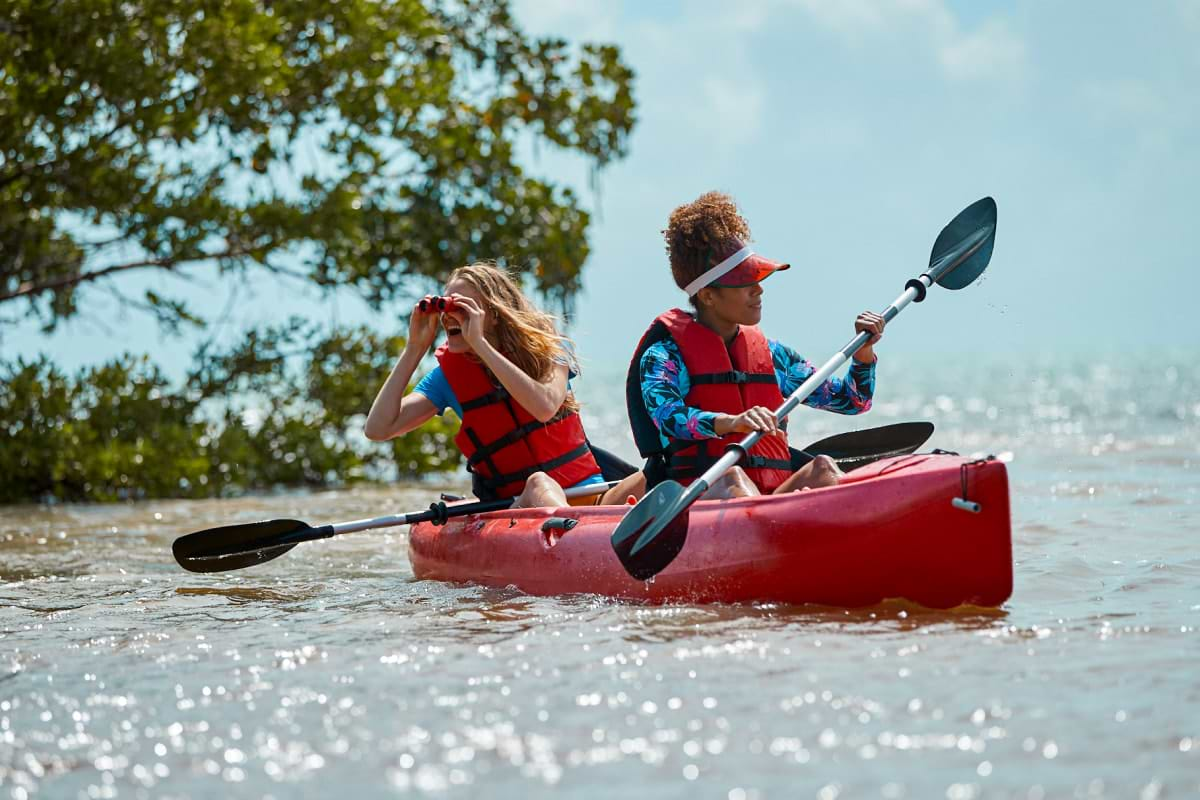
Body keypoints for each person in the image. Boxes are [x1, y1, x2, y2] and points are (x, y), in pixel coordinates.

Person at [626, 191, 885, 499]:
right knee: (734, 480)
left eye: (757, 280)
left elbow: (853, 401)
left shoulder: (775, 358)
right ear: (708, 295)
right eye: (744, 284)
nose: (758, 290)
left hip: (770, 497)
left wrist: (863, 354)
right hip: (699, 498)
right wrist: (732, 423)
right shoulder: (665, 357)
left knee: (824, 468)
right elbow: (670, 418)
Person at [366, 262, 643, 508]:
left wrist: (481, 344)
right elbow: (379, 429)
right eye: (446, 308)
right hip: (524, 508)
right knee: (539, 483)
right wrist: (414, 348)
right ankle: (579, 539)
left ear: (493, 314)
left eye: (461, 308)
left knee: (662, 472)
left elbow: (544, 406)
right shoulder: (448, 378)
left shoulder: (548, 353)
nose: (449, 316)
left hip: (595, 498)